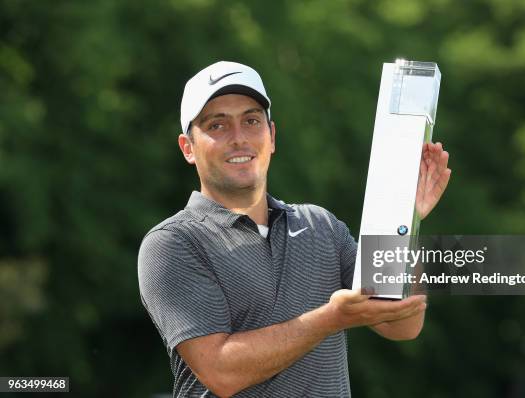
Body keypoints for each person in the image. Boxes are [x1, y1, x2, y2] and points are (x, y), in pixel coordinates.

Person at [138, 61, 451, 398]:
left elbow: (402, 322)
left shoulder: (321, 226)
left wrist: (404, 217)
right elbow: (221, 371)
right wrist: (330, 319)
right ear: (188, 148)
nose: (239, 138)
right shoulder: (173, 244)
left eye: (251, 120)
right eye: (217, 125)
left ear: (271, 136)